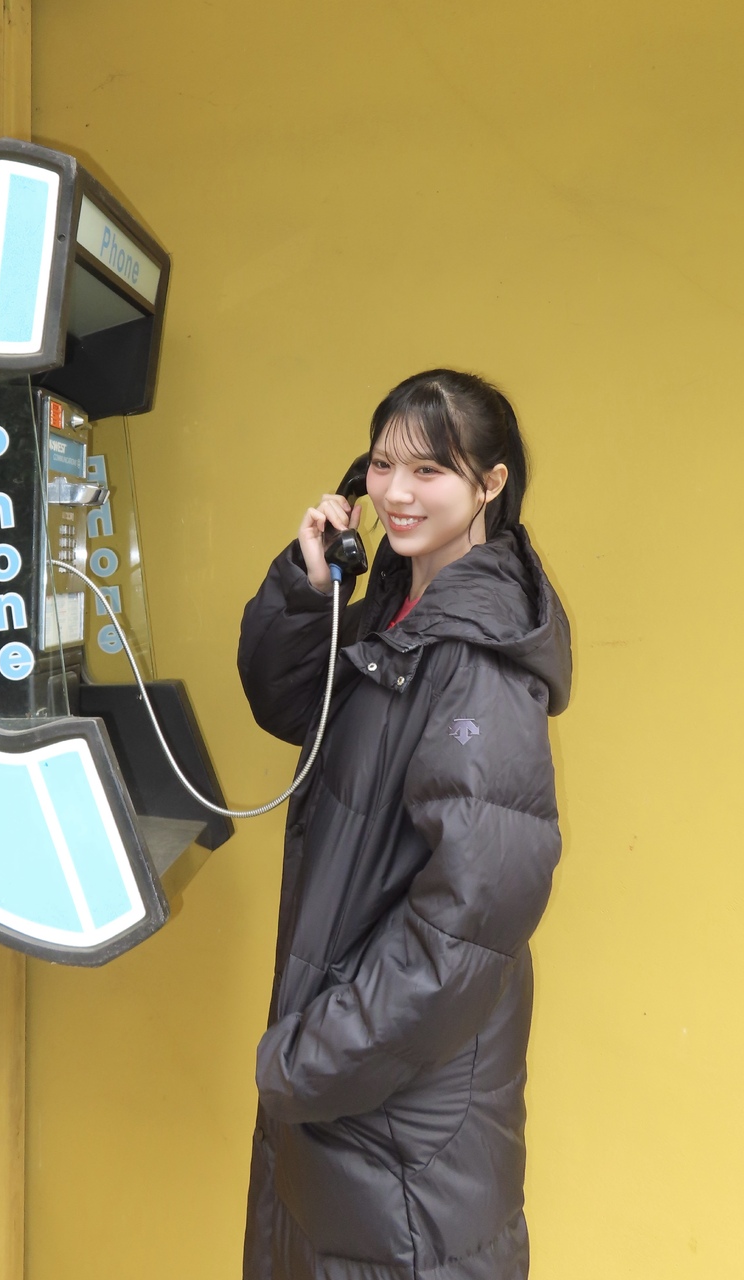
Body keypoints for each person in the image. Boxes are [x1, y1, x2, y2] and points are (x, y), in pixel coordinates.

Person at [237, 368, 571, 1280]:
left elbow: (470, 916)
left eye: (430, 470)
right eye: (382, 465)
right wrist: (313, 586)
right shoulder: (395, 611)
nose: (395, 493)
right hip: (362, 1089)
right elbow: (290, 703)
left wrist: (315, 1056)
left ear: (490, 484)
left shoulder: (476, 659)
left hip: (399, 1111)